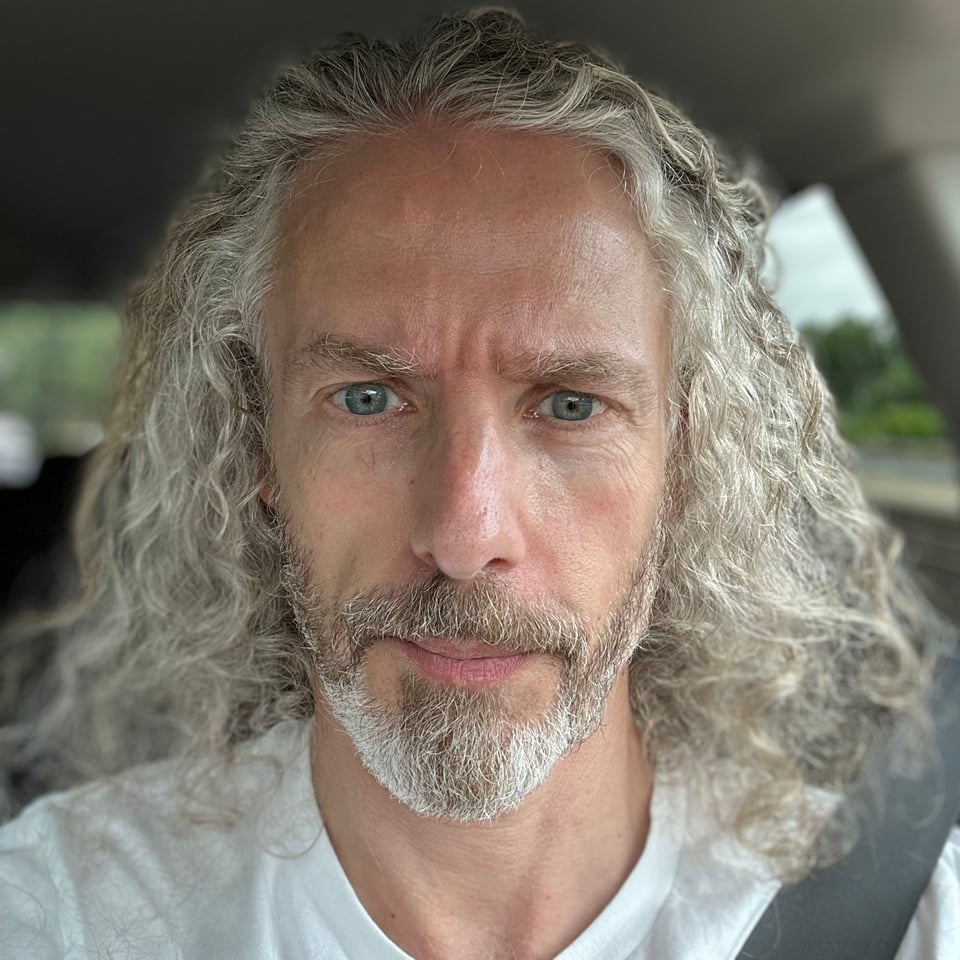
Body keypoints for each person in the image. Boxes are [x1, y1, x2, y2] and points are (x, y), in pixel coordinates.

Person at [0, 8, 957, 959]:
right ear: (256, 446)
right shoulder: (70, 912)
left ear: (687, 459)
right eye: (369, 398)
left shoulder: (913, 917)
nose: (463, 533)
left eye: (571, 405)